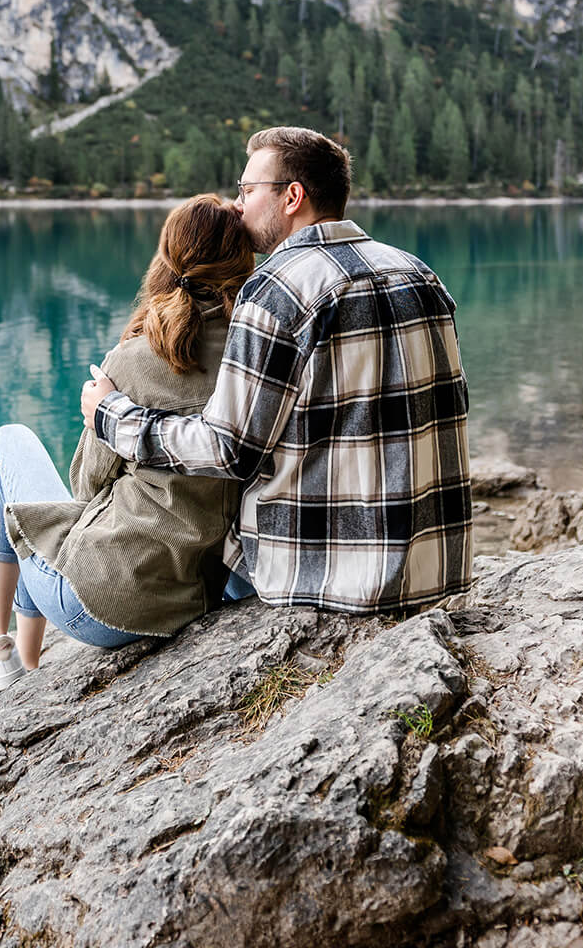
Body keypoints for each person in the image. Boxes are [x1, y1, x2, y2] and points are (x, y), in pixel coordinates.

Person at [82, 126, 472, 615]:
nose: (238, 205)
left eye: (247, 190)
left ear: (292, 197)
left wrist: (111, 414)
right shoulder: (418, 274)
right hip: (435, 570)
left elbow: (227, 449)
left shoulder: (275, 291)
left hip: (326, 579)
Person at [0, 193, 256, 694]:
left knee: (8, 445)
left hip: (98, 607)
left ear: (169, 257)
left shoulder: (133, 359)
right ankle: (24, 663)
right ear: (242, 262)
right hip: (192, 596)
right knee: (40, 523)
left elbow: (86, 485)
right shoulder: (256, 357)